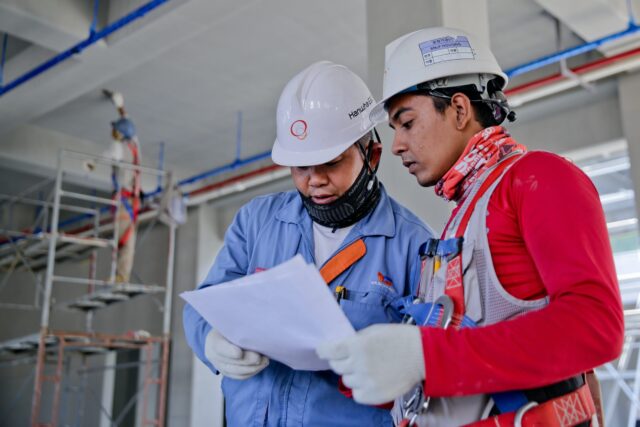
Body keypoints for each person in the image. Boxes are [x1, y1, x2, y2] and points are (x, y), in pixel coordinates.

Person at [316, 27, 624, 426]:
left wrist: (424, 357)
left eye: (406, 123)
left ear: (459, 109)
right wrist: (376, 364)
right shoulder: (462, 219)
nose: (396, 146)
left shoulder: (538, 178)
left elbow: (595, 326)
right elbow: (458, 352)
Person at [182, 61, 434, 426]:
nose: (314, 180)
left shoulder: (414, 246)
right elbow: (204, 304)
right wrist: (210, 341)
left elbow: (429, 366)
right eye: (300, 167)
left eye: (330, 163)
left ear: (372, 156)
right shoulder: (256, 222)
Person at [102, 90, 142, 284]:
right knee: (127, 238)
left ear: (119, 134)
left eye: (115, 130)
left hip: (124, 201)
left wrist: (91, 163)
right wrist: (120, 106)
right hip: (131, 200)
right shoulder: (134, 144)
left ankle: (119, 276)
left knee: (122, 240)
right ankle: (121, 275)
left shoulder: (120, 150)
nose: (112, 132)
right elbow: (128, 124)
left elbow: (108, 153)